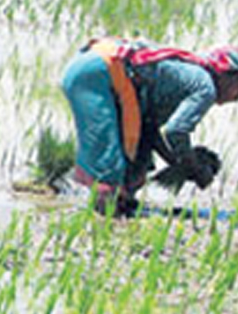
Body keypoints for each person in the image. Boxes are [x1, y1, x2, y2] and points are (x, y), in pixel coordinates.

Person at [61, 38, 238, 214]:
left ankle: (119, 206)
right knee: (109, 168)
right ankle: (105, 218)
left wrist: (177, 163)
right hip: (98, 73)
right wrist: (193, 166)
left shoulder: (191, 76)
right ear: (230, 76)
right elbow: (176, 131)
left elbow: (149, 128)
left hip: (98, 69)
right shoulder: (205, 88)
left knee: (137, 159)